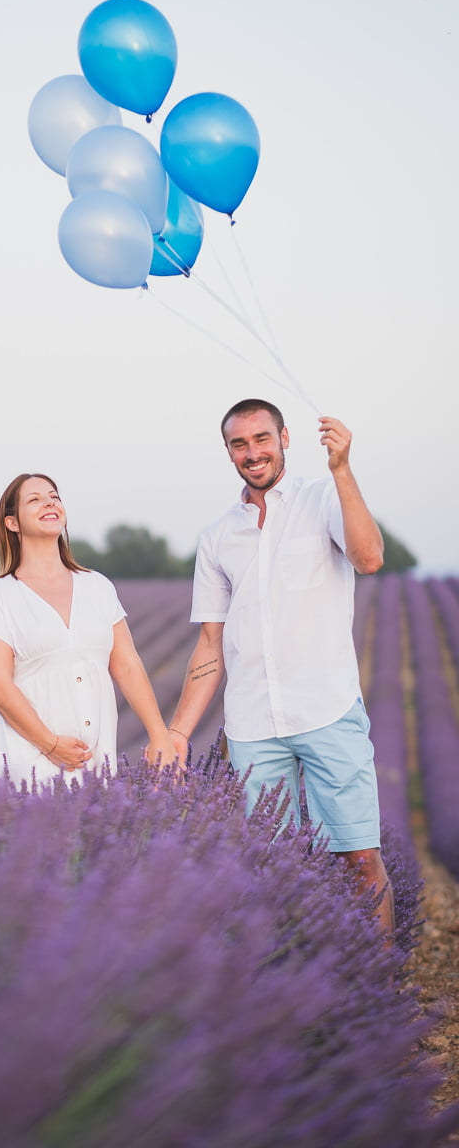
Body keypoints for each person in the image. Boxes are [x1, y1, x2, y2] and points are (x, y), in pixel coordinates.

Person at [166, 399, 394, 937]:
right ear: (228, 453)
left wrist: (342, 469)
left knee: (359, 859)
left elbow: (370, 557)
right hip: (252, 727)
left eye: (261, 439)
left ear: (285, 438)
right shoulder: (218, 536)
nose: (252, 453)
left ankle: (380, 998)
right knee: (271, 874)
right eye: (239, 444)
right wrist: (177, 731)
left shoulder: (323, 499)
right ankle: (293, 995)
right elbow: (209, 645)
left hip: (328, 710)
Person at [0, 472, 176, 794]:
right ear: (12, 523)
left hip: (94, 760)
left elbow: (126, 665)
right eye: (35, 499)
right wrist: (49, 744)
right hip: (28, 760)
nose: (49, 503)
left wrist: (159, 735)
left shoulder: (96, 586)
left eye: (54, 496)